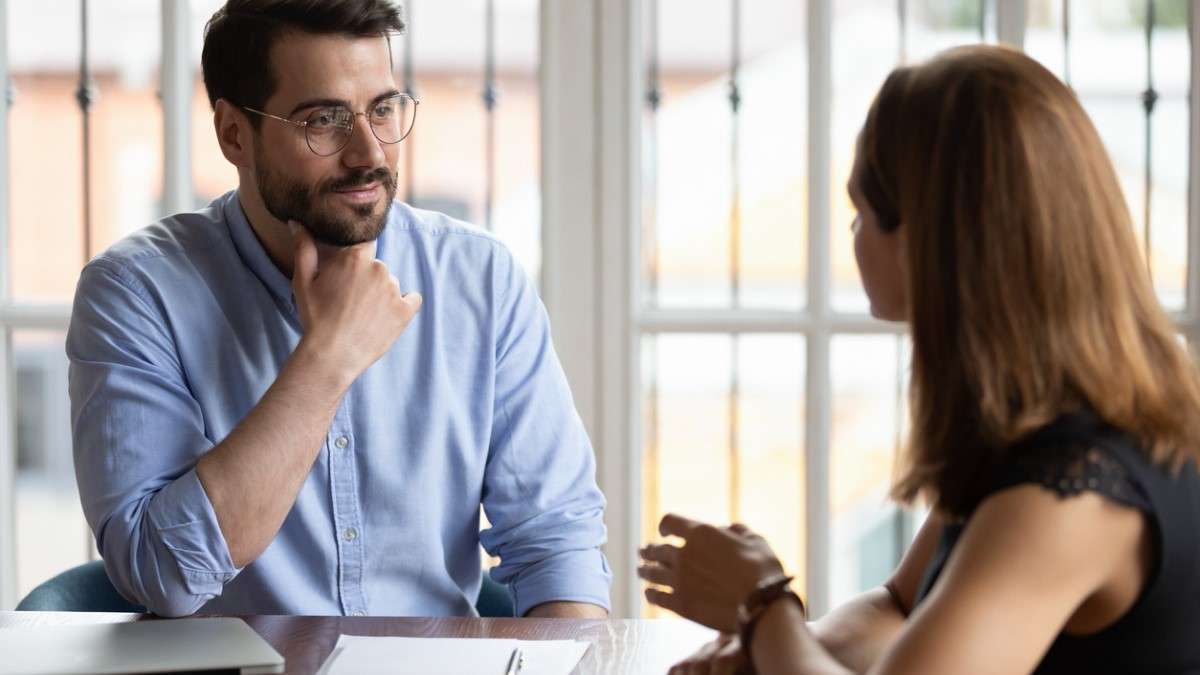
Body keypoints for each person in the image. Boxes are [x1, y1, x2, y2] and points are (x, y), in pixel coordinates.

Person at [639, 44, 1200, 674]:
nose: (852, 235)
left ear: (925, 241)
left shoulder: (1068, 494)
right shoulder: (1033, 426)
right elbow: (901, 607)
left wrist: (766, 605)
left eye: (862, 211)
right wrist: (764, 653)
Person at [67, 0, 610, 619]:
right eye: (323, 120)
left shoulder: (478, 279)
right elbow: (161, 576)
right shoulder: (135, 293)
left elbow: (558, 549)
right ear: (233, 134)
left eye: (382, 109)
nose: (368, 152)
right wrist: (326, 361)